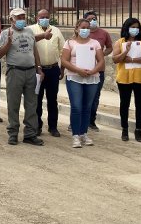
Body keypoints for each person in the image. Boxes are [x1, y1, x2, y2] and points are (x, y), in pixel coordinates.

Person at [0, 8, 44, 147]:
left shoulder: (29, 31)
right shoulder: (5, 33)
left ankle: (30, 134)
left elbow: (34, 50)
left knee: (31, 104)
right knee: (13, 104)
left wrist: (39, 68)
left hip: (30, 72)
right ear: (11, 19)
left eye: (23, 17)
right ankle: (13, 133)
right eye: (18, 17)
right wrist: (9, 42)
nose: (21, 20)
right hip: (15, 71)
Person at [61, 19, 105, 148]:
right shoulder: (69, 43)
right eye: (83, 27)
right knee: (76, 107)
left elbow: (101, 61)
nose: (85, 30)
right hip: (74, 77)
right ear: (77, 28)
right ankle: (75, 135)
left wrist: (93, 71)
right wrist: (78, 70)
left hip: (92, 77)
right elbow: (64, 60)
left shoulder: (95, 43)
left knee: (87, 107)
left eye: (87, 28)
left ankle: (83, 133)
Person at [112, 18, 141, 142]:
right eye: (132, 27)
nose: (135, 29)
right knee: (125, 104)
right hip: (124, 77)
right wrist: (126, 52)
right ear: (126, 28)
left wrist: (134, 60)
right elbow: (115, 59)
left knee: (140, 104)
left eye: (137, 27)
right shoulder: (120, 42)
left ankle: (138, 130)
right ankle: (124, 129)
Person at [29, 9, 65, 137]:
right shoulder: (31, 30)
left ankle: (53, 127)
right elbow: (28, 44)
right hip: (37, 70)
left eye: (46, 16)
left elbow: (63, 51)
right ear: (37, 18)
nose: (44, 18)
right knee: (37, 99)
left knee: (52, 99)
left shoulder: (56, 31)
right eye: (42, 16)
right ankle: (37, 126)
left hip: (53, 69)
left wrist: (62, 69)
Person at [82, 11, 112, 131]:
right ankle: (78, 120)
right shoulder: (82, 33)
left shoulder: (104, 33)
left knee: (94, 97)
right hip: (83, 69)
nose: (93, 21)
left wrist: (102, 54)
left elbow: (109, 47)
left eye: (94, 18)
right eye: (90, 19)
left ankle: (91, 121)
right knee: (81, 96)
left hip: (99, 70)